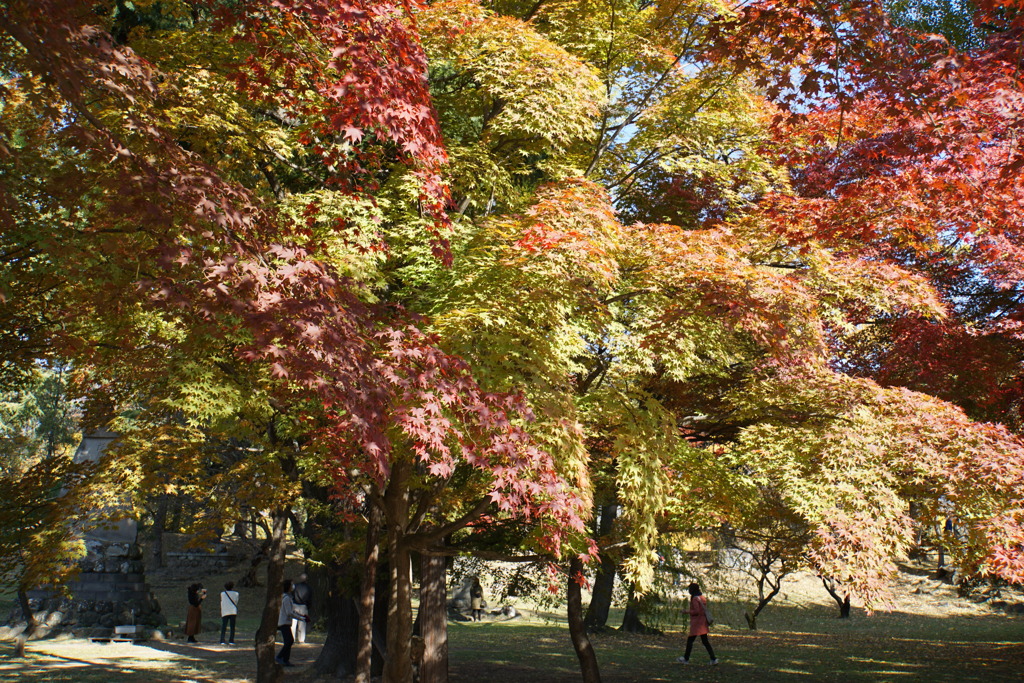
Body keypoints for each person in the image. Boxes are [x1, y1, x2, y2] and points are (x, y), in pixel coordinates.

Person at [677, 582, 718, 665]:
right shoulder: (702, 597)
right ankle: (713, 659)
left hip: (697, 623)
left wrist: (686, 611)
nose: (689, 591)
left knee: (690, 641)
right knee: (705, 641)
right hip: (703, 622)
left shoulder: (695, 599)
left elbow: (696, 611)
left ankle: (686, 658)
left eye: (689, 589)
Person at [276, 579, 309, 667]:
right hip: (284, 622)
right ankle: (280, 657)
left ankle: (285, 660)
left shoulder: (285, 597)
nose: (293, 586)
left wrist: (301, 616)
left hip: (285, 622)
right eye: (291, 585)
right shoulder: (286, 598)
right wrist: (300, 618)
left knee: (290, 641)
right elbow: (289, 612)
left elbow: (291, 610)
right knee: (289, 641)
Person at [291, 573, 313, 644]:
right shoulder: (308, 588)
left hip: (294, 605)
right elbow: (310, 598)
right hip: (303, 606)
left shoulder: (295, 586)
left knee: (293, 623)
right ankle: (301, 639)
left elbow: (291, 594)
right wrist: (308, 606)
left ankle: (291, 639)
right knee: (302, 623)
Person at [220, 581, 239, 645]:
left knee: (224, 626)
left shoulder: (222, 593)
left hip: (225, 611)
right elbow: (236, 601)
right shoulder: (236, 593)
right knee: (232, 626)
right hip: (233, 611)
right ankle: (231, 640)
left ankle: (222, 640)